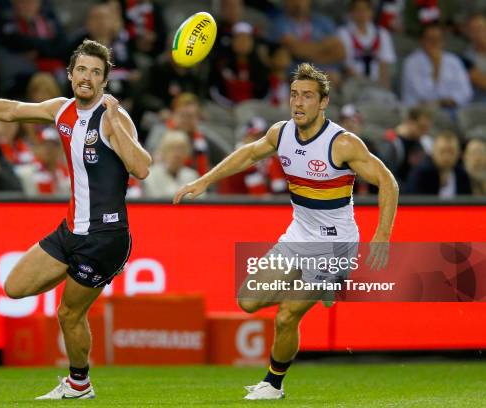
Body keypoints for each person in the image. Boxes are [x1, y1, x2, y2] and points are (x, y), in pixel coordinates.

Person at [0, 39, 151, 399]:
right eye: (82, 70)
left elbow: (142, 168)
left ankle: (79, 384)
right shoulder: (61, 110)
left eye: (96, 72)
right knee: (15, 287)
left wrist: (116, 120)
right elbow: (9, 110)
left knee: (69, 314)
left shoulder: (114, 118)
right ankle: (77, 296)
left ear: (105, 81)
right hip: (70, 231)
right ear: (70, 75)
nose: (87, 77)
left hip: (107, 236)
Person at [174, 63, 398, 400]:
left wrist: (382, 233)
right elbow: (248, 154)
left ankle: (273, 384)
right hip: (299, 235)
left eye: (307, 96)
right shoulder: (282, 133)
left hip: (334, 245)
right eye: (294, 94)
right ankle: (323, 287)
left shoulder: (343, 143)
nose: (298, 102)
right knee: (247, 300)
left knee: (286, 316)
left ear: (323, 102)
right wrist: (205, 181)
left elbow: (387, 182)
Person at [401, 23, 472, 109]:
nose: (434, 43)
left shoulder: (454, 61)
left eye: (437, 39)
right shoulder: (412, 62)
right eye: (430, 39)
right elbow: (423, 94)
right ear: (422, 41)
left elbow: (465, 91)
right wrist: (436, 66)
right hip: (420, 110)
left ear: (443, 42)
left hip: (451, 109)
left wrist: (448, 101)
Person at [337, 0, 396, 88]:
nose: (361, 14)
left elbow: (384, 67)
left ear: (371, 12)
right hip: (353, 83)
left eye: (365, 10)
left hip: (377, 84)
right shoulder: (343, 33)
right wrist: (365, 84)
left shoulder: (382, 34)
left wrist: (385, 89)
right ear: (351, 13)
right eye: (358, 10)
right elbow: (347, 66)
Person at [404, 131, 471, 197]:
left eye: (451, 152)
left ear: (459, 153)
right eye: (442, 151)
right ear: (433, 151)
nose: (447, 157)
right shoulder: (421, 174)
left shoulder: (462, 176)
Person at [143, 130, 199, 198]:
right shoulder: (150, 175)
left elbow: (201, 202)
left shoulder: (193, 176)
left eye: (181, 149)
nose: (177, 154)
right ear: (163, 152)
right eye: (172, 149)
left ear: (187, 153)